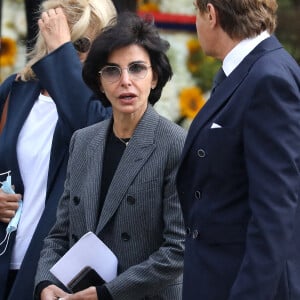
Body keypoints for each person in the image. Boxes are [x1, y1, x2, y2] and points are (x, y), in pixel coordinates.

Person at [34, 11, 186, 300]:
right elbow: (59, 233)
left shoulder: (175, 143)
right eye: (112, 71)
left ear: (154, 77)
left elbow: (177, 250)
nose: (125, 81)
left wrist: (106, 294)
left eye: (137, 68)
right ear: (100, 82)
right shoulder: (83, 141)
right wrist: (44, 282)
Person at [176, 0, 300, 299]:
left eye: (196, 12)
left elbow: (275, 213)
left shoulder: (268, 78)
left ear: (211, 14)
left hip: (238, 284)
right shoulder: (249, 69)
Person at [0, 0, 117, 299]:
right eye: (79, 42)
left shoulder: (106, 106)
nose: (90, 53)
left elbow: (87, 129)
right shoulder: (15, 90)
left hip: (54, 273)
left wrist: (62, 52)